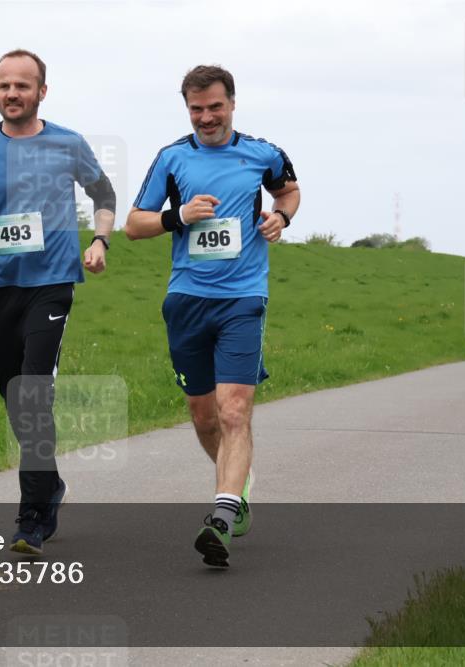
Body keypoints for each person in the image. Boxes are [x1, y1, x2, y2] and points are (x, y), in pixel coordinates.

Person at [0, 50, 116, 554]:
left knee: (34, 392)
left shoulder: (66, 142)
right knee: (14, 395)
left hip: (52, 281)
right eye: (3, 86)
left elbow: (104, 195)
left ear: (42, 91)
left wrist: (101, 240)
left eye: (22, 85)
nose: (12, 93)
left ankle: (33, 517)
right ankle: (51, 483)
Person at [126, 66, 300, 567]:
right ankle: (236, 485)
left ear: (232, 104)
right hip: (187, 299)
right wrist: (177, 217)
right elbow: (135, 225)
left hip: (244, 298)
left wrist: (280, 216)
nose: (206, 117)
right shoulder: (172, 158)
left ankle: (222, 515)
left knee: (233, 411)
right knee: (204, 417)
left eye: (215, 107)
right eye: (196, 109)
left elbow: (289, 190)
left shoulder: (262, 154)